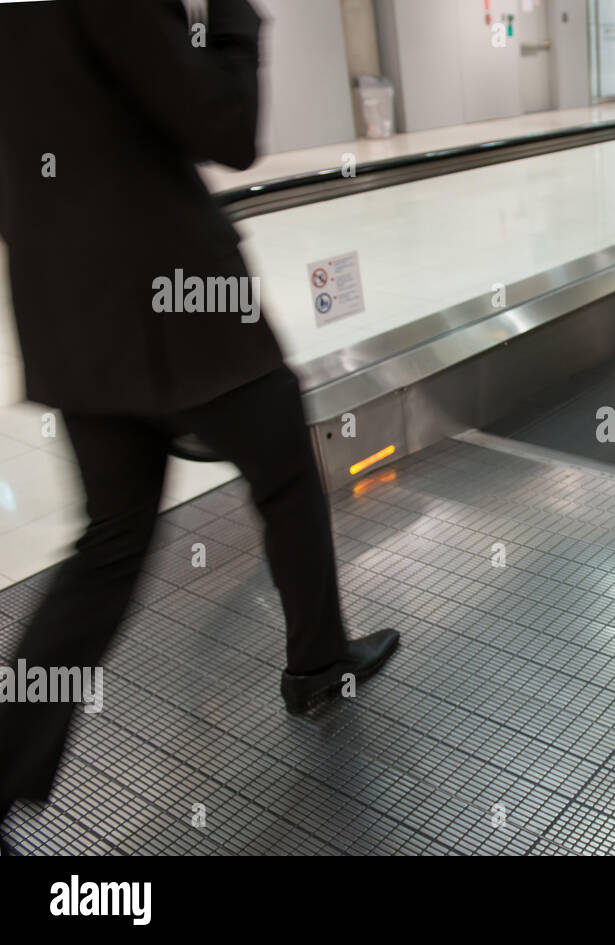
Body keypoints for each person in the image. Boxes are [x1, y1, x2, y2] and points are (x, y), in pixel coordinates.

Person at [0, 0, 400, 854]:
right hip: (177, 310)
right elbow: (221, 124)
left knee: (109, 543)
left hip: (68, 314)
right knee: (287, 472)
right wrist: (232, 19)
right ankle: (317, 667)